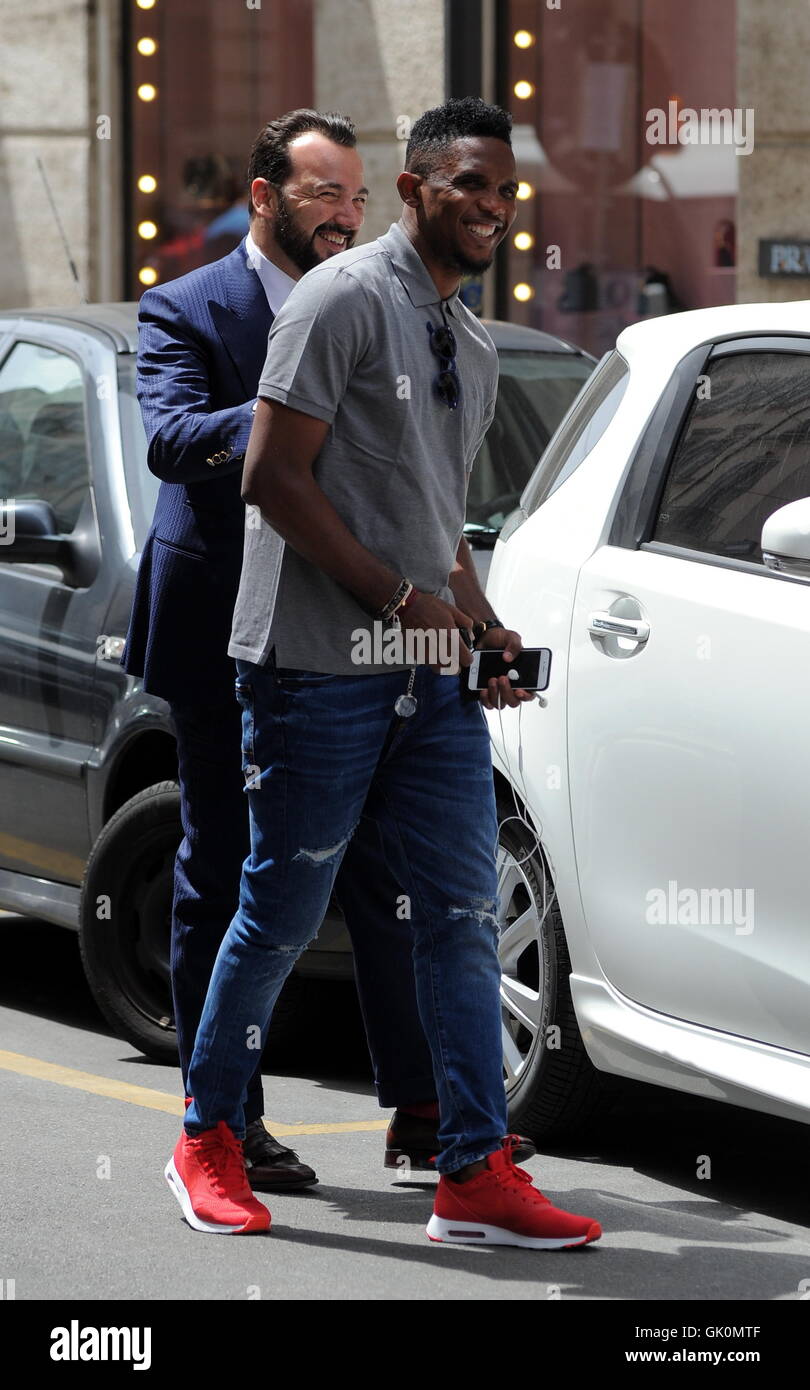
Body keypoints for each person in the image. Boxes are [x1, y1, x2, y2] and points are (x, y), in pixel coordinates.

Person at [168, 97, 601, 1250]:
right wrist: (404, 604)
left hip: (427, 673)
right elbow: (269, 473)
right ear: (412, 190)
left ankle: (472, 1170)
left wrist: (484, 629)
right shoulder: (340, 297)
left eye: (508, 191)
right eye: (470, 184)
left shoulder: (466, 338)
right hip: (313, 667)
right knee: (280, 908)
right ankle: (207, 1134)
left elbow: (436, 525)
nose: (495, 208)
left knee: (459, 912)